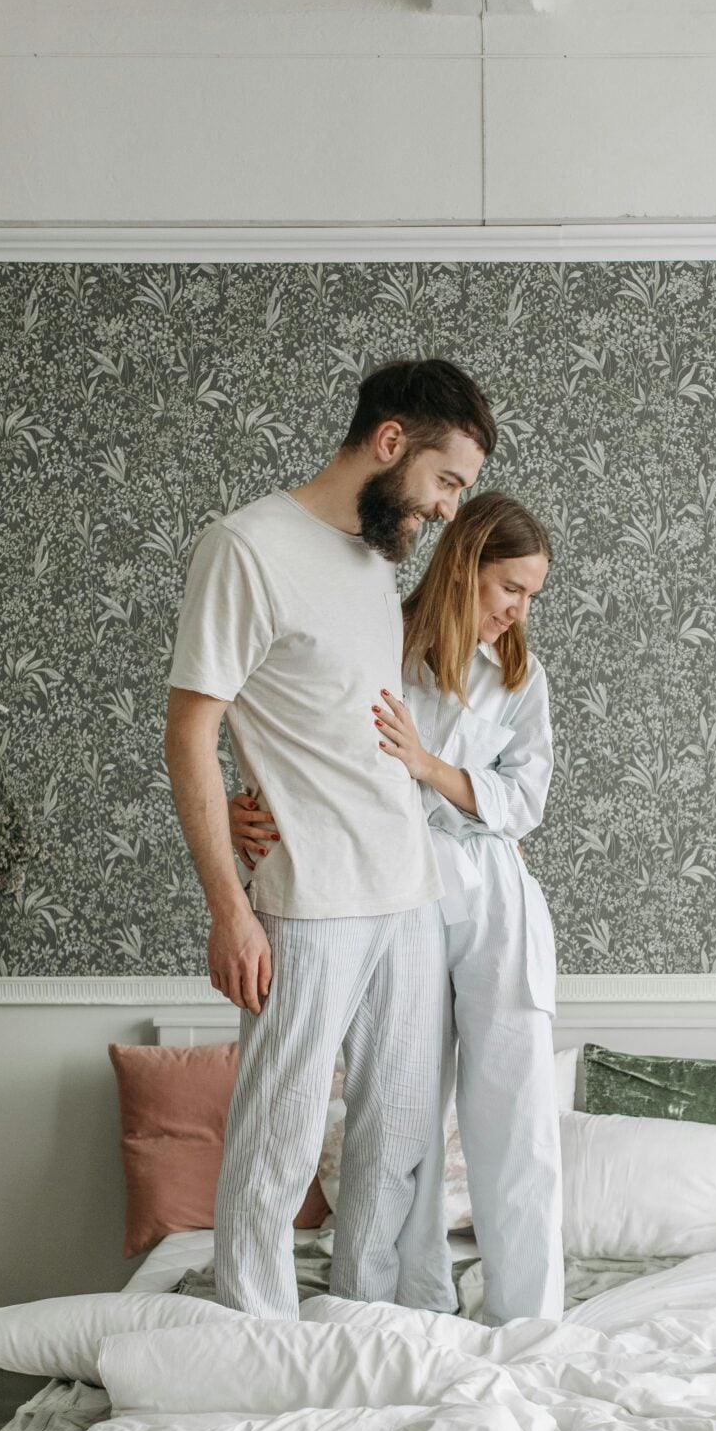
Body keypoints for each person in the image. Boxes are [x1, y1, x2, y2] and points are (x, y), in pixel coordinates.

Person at [165, 359, 497, 1321]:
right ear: (390, 442)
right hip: (308, 904)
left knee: (395, 1135)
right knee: (279, 1137)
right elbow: (191, 730)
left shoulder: (369, 562)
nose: (443, 509)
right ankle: (260, 1341)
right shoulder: (245, 547)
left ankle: (365, 1323)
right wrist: (229, 904)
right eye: (445, 482)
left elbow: (329, 722)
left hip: (408, 891)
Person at [232, 490, 562, 1325]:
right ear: (466, 563)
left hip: (490, 898)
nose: (518, 611)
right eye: (510, 589)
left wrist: (430, 767)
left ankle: (527, 1319)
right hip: (396, 890)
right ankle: (411, 1306)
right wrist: (255, 800)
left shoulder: (518, 672)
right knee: (404, 1113)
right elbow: (314, 741)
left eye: (530, 596)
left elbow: (525, 800)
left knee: (515, 1118)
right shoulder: (383, 639)